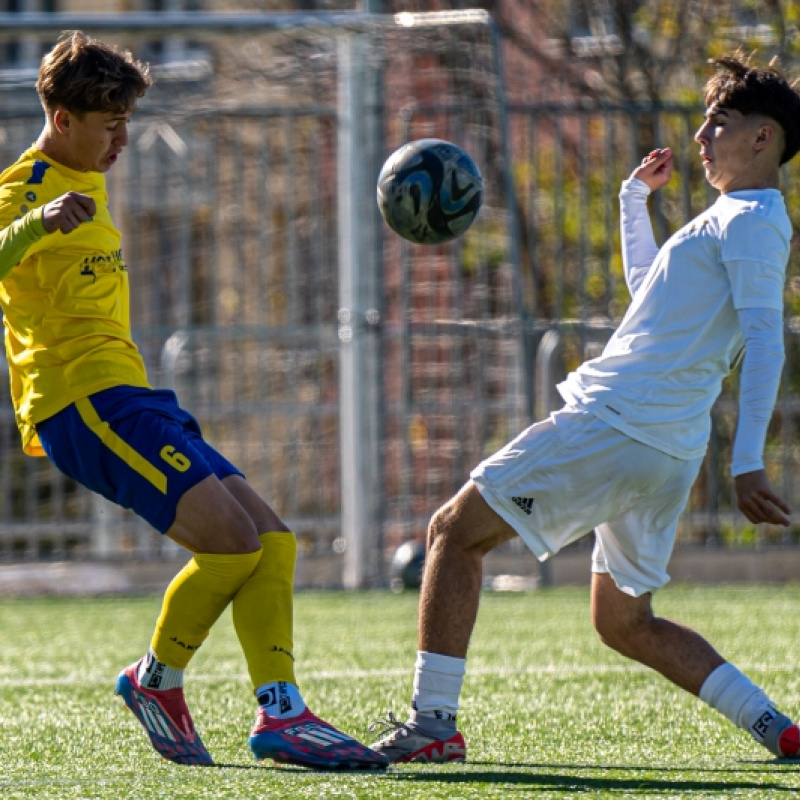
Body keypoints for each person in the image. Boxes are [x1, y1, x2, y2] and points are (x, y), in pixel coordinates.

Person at [371, 53, 800, 763]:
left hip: (618, 423)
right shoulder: (731, 218)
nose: (700, 136)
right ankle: (777, 729)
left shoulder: (753, 220)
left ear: (763, 138)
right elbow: (652, 300)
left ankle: (432, 728)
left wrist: (750, 460)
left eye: (717, 123)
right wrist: (633, 205)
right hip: (663, 447)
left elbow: (765, 339)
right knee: (623, 621)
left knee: (452, 532)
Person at [0, 31, 386, 771]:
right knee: (231, 544)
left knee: (272, 541)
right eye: (107, 125)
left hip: (133, 394)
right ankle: (155, 680)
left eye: (126, 124)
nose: (120, 141)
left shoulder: (87, 173)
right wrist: (34, 224)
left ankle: (282, 713)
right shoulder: (28, 187)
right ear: (61, 119)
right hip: (82, 405)